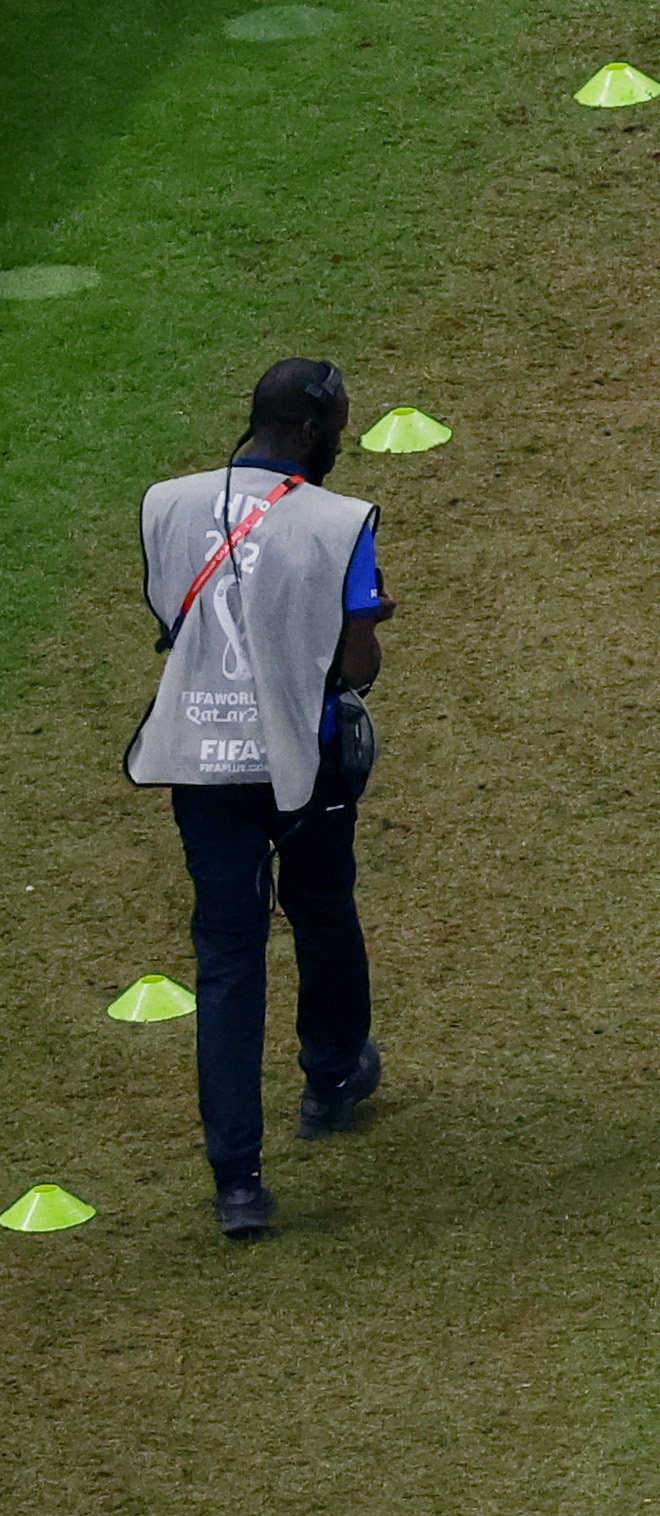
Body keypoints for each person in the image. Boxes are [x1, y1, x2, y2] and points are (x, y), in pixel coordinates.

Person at [127, 354, 384, 1240]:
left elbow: (171, 618)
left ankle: (237, 1181)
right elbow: (357, 664)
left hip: (198, 761)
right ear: (312, 430)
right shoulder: (338, 519)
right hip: (298, 760)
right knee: (321, 907)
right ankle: (331, 1078)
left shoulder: (168, 503)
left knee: (227, 959)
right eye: (341, 427)